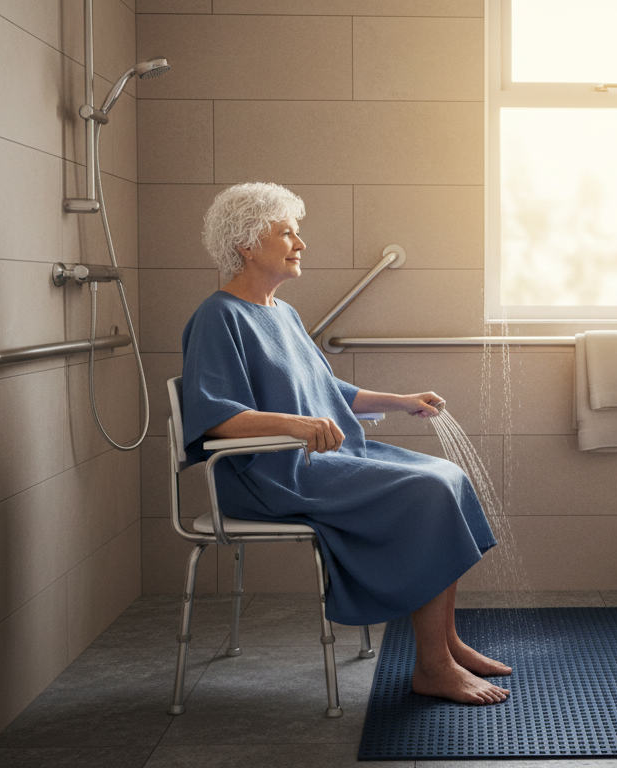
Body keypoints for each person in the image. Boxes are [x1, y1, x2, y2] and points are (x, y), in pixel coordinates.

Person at [180, 182, 510, 705]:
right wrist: (294, 425)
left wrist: (400, 400)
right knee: (426, 492)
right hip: (268, 475)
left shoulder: (282, 314)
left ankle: (445, 643)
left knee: (446, 475)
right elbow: (214, 419)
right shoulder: (219, 318)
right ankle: (432, 666)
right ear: (246, 245)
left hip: (321, 461)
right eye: (286, 232)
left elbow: (324, 391)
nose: (300, 243)